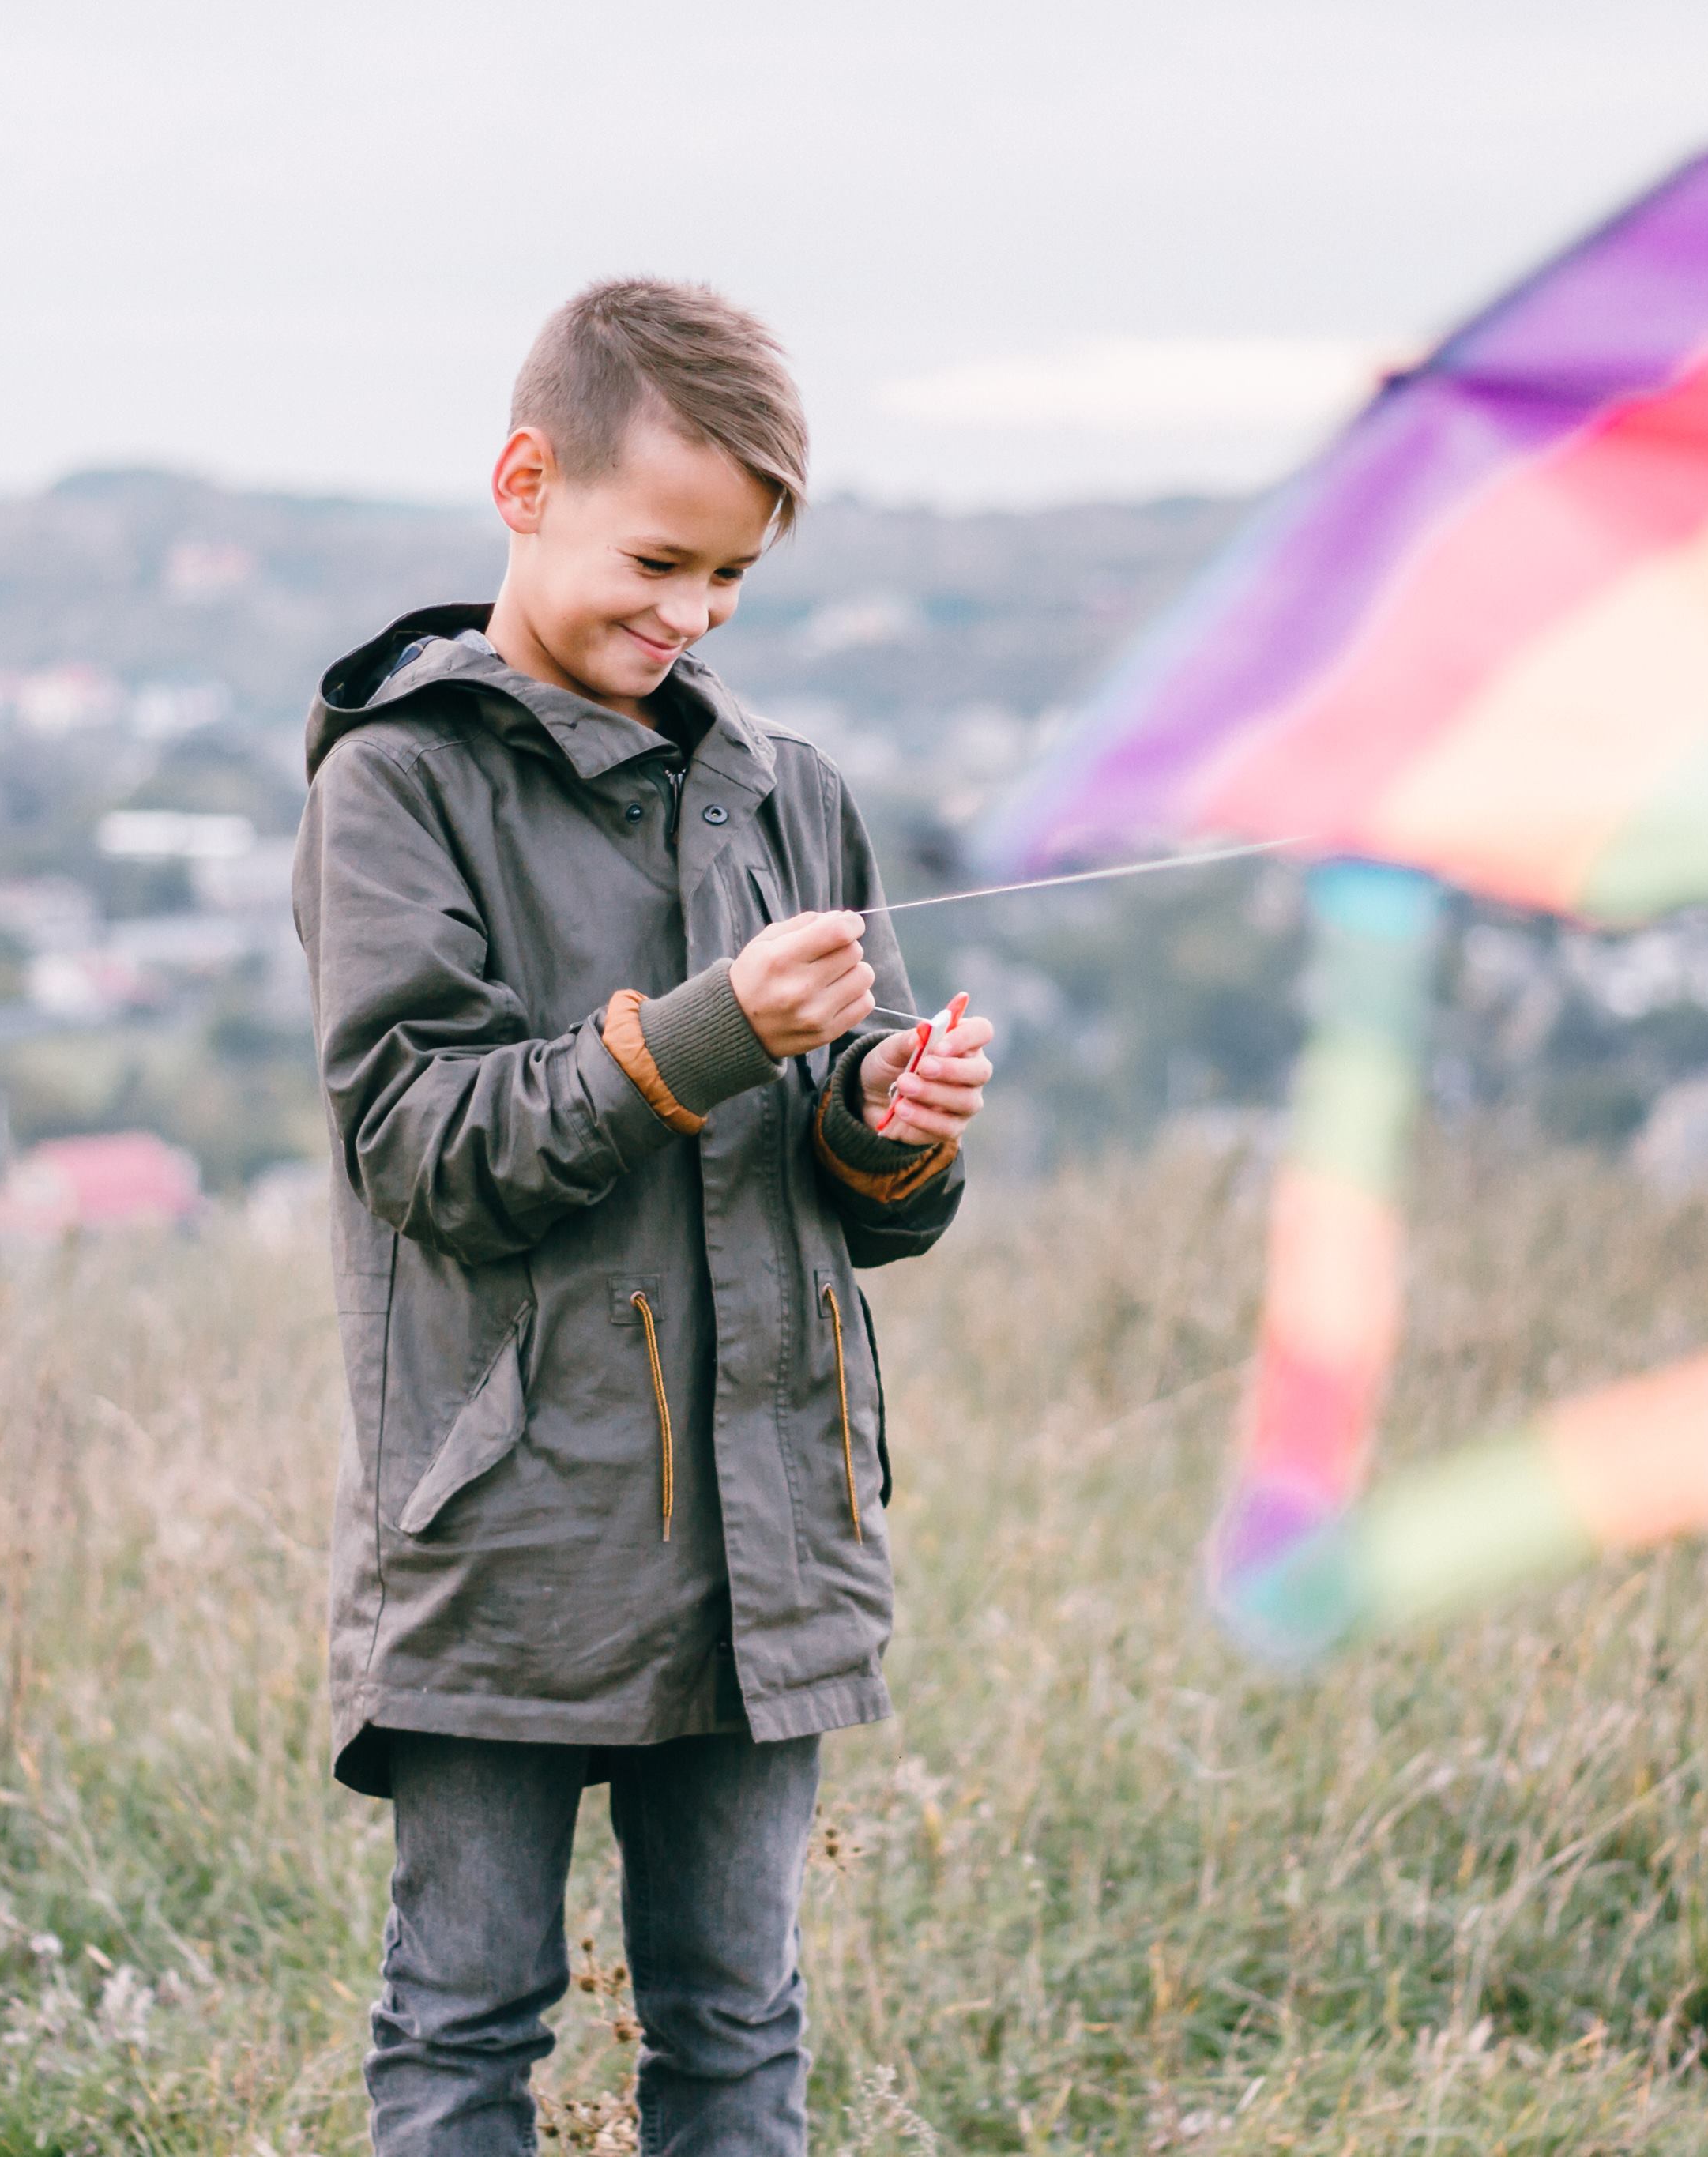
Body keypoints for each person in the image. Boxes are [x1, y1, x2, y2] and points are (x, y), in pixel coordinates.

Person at [294, 277, 995, 2155]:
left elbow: (847, 1188)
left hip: (770, 1547)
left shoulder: (789, 794)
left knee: (738, 2034)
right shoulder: (397, 784)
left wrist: (891, 1125)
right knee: (464, 2032)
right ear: (526, 480)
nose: (688, 617)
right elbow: (420, 1141)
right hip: (505, 1541)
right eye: (659, 559)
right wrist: (701, 1035)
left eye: (732, 583)